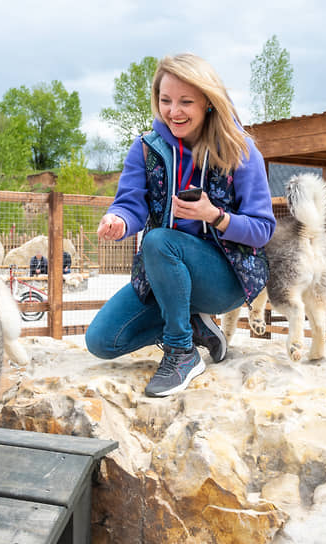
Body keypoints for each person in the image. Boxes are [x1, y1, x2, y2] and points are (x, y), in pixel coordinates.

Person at [85, 53, 275, 397]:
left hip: (225, 278)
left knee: (159, 241)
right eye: (165, 100)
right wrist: (119, 221)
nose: (174, 111)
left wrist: (214, 215)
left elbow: (262, 229)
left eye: (186, 101)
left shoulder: (241, 151)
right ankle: (192, 324)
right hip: (163, 275)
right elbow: (130, 204)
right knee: (102, 340)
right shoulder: (145, 149)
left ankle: (181, 352)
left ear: (209, 103)